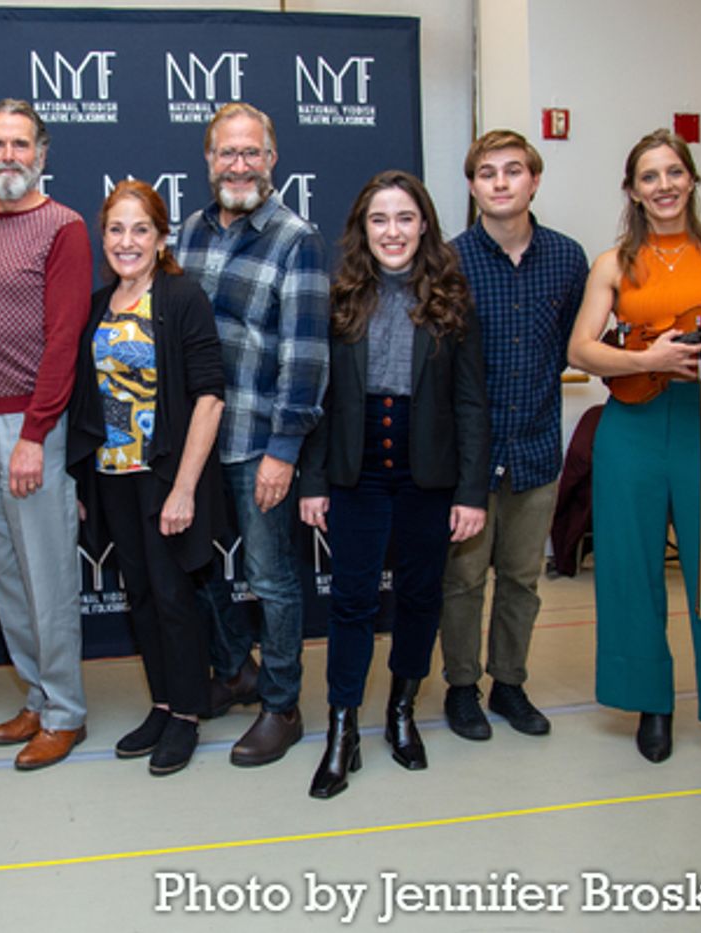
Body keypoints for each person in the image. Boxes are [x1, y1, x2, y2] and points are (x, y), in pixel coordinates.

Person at [566, 128, 701, 771]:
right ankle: (650, 702)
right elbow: (580, 349)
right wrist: (647, 357)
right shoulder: (613, 264)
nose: (663, 186)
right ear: (633, 190)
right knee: (629, 568)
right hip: (631, 424)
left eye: (673, 173)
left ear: (691, 180)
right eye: (649, 176)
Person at [299, 170, 489, 798]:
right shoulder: (341, 296)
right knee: (351, 603)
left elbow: (470, 404)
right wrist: (315, 479)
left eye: (404, 218)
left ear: (424, 224)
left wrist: (470, 492)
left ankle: (402, 711)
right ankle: (342, 728)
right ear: (363, 229)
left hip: (428, 474)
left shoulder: (452, 298)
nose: (393, 231)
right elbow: (320, 400)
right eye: (379, 219)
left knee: (419, 597)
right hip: (357, 471)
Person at [176, 102, 330, 767]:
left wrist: (283, 450)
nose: (238, 165)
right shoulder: (188, 231)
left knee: (271, 579)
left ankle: (282, 703)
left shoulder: (297, 239)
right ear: (209, 161)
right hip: (196, 441)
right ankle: (237, 667)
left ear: (271, 159)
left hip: (257, 441)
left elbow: (306, 355)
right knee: (198, 566)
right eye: (226, 153)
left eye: (251, 153)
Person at [66, 181, 226, 776]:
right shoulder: (97, 304)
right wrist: (84, 483)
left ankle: (187, 714)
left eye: (140, 229)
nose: (126, 241)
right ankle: (161, 702)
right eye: (115, 229)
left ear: (162, 239)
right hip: (114, 475)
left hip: (165, 475)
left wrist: (184, 487)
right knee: (139, 595)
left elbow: (210, 397)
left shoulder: (183, 298)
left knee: (173, 596)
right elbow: (89, 398)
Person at [0, 99, 92, 770]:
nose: (8, 155)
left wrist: (36, 433)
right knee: (7, 573)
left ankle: (66, 711)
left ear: (43, 152)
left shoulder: (62, 227)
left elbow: (64, 339)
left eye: (21, 144)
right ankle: (35, 693)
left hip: (33, 423)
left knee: (47, 574)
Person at [438, 130, 589, 741]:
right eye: (487, 172)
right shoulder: (449, 261)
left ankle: (510, 683)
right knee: (464, 581)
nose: (501, 182)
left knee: (523, 579)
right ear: (472, 186)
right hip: (468, 459)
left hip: (534, 448)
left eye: (514, 170)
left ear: (534, 180)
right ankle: (461, 687)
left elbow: (578, 343)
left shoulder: (568, 258)